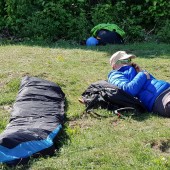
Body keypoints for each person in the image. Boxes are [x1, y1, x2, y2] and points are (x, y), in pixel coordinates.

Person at [108, 51, 170, 117]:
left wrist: (140, 72)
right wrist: (142, 74)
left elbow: (152, 81)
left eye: (129, 60)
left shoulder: (135, 70)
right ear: (114, 65)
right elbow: (129, 90)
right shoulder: (114, 75)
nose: (128, 62)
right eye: (123, 61)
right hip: (157, 98)